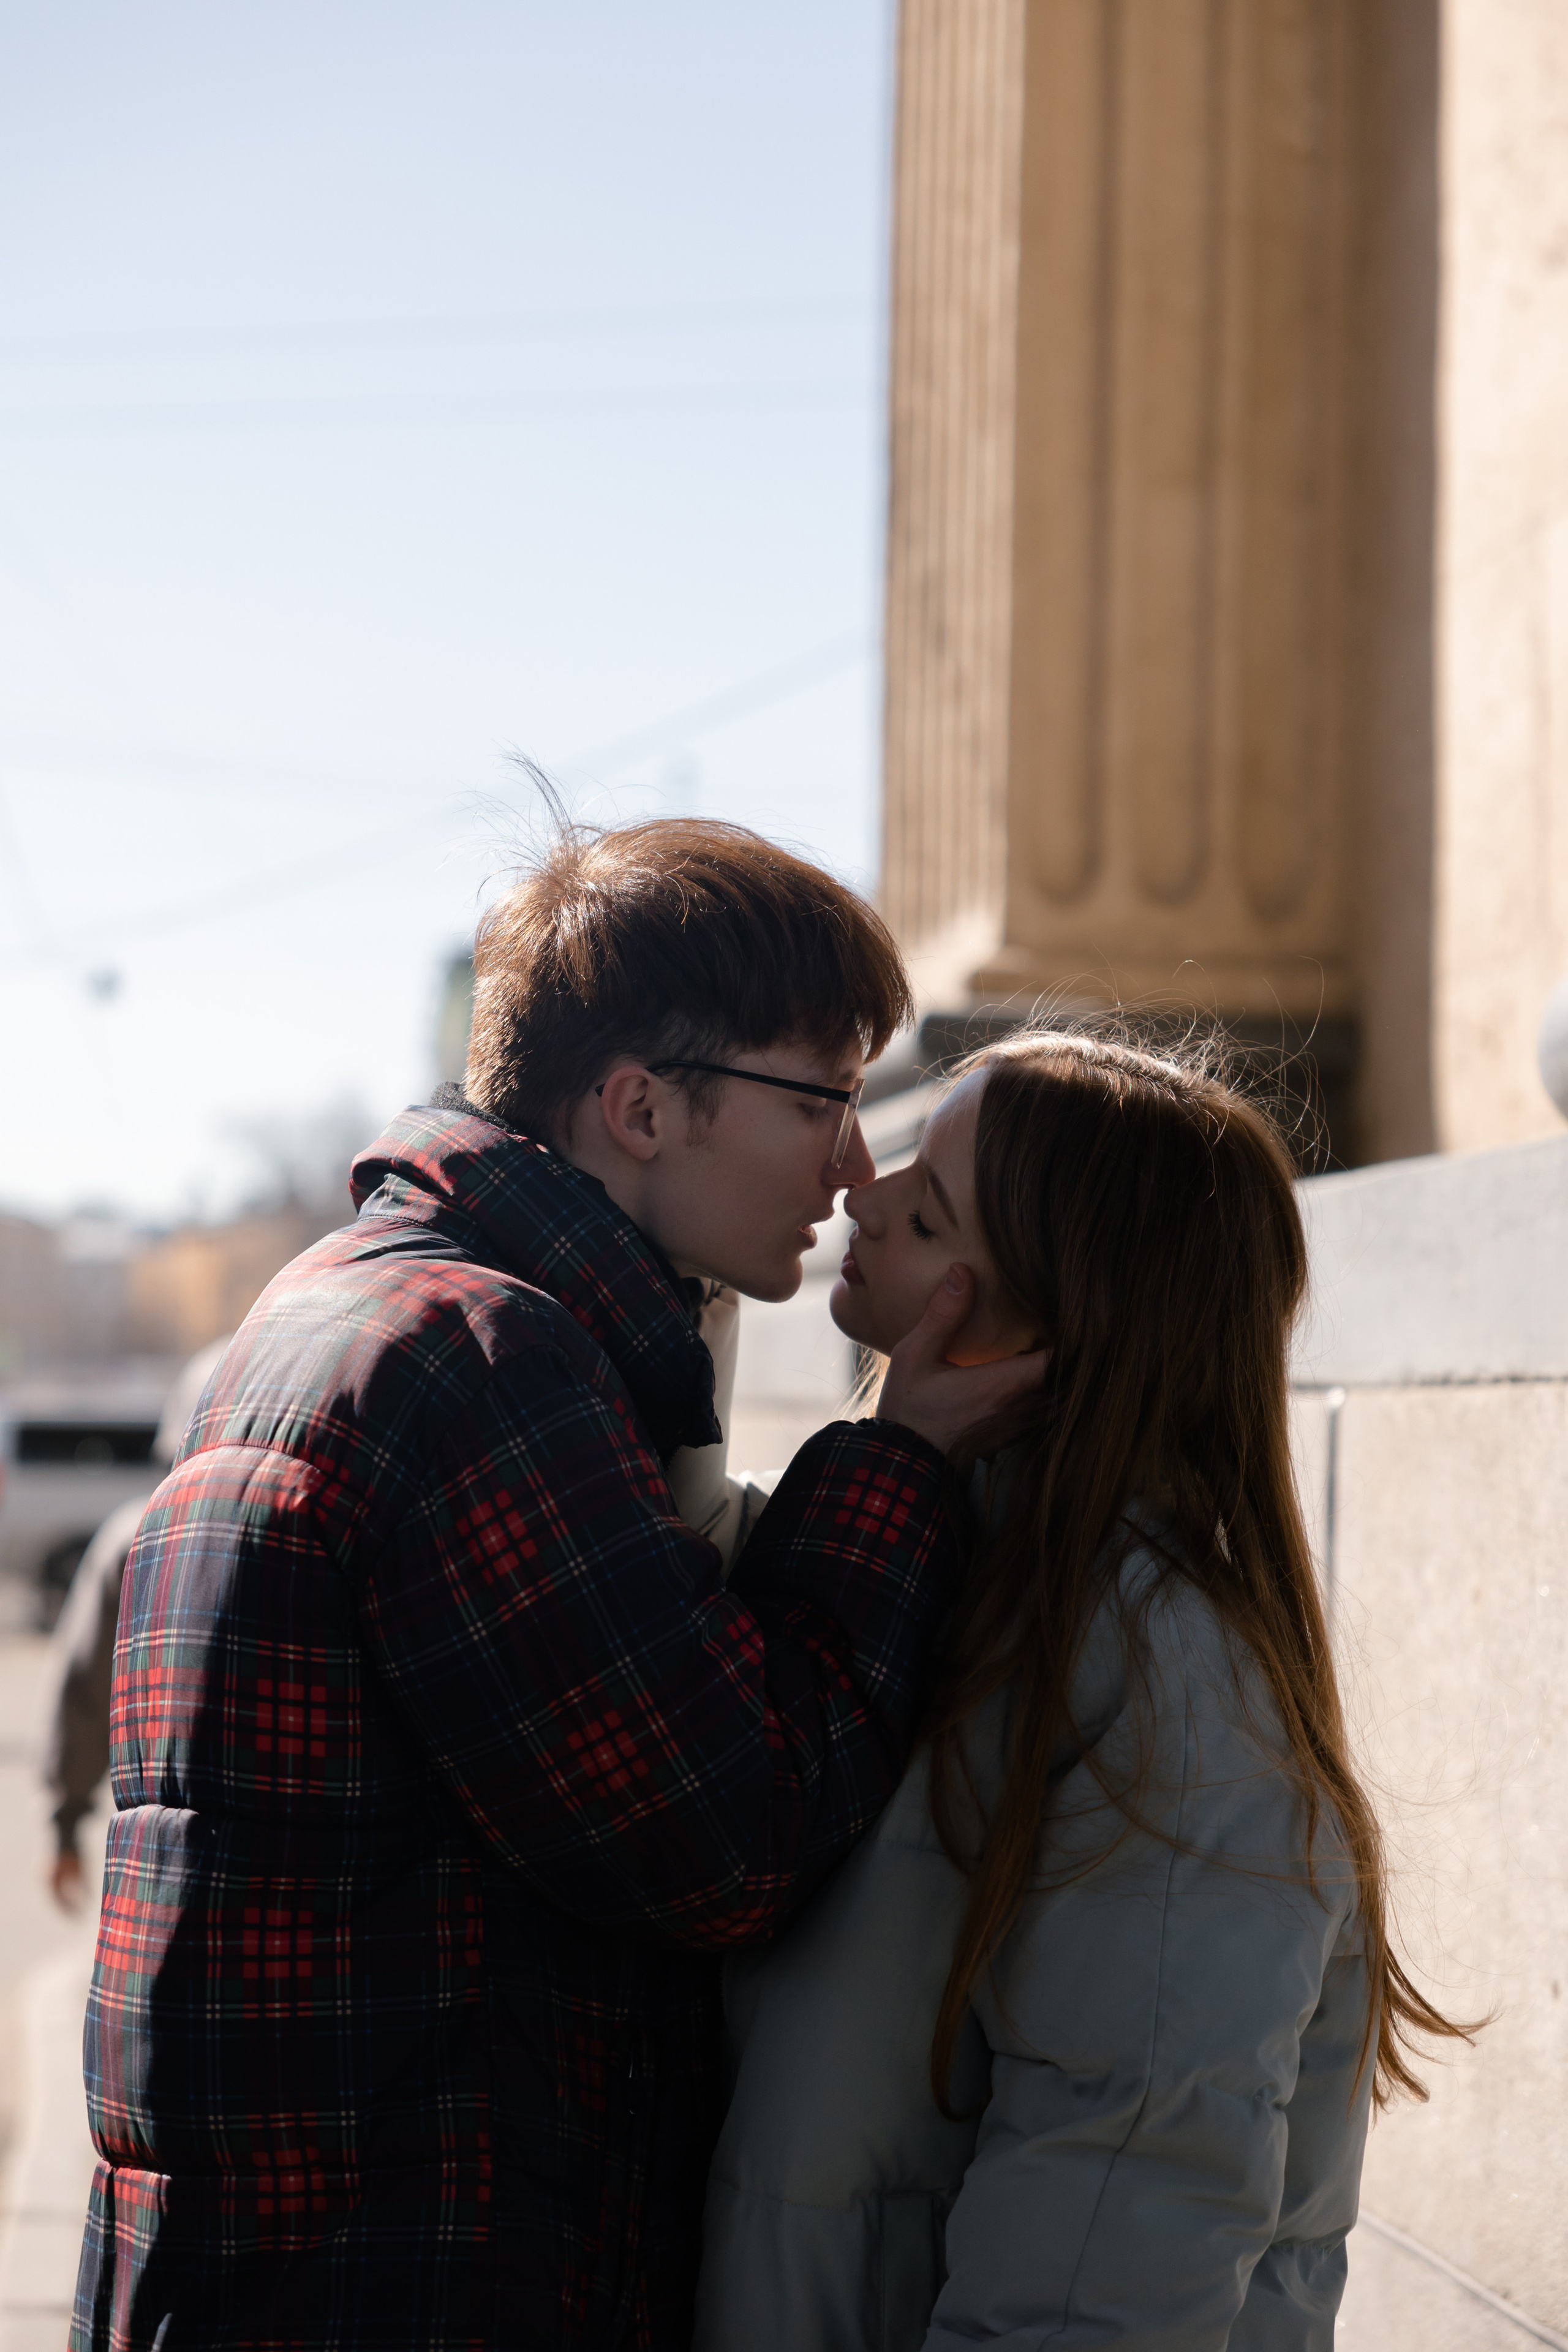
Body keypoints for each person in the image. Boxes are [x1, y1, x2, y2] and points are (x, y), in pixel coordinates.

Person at [70, 818, 1042, 2352]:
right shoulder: (482, 1364)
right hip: (404, 2280)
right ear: (640, 1107)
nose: (855, 1163)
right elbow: (731, 1831)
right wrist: (897, 1463)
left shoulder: (350, 1303)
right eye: (826, 1098)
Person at [696, 1029, 1471, 2351]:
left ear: (1044, 1330)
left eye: (927, 1211)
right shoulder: (924, 1555)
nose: (861, 1195)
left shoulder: (1169, 1682)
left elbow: (1116, 2234)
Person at [43, 1338, 232, 1909]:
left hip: (167, 1860)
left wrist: (66, 1822)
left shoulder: (135, 1534)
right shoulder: (327, 1523)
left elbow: (82, 1683)